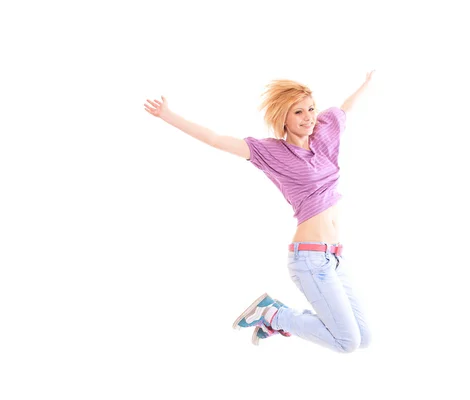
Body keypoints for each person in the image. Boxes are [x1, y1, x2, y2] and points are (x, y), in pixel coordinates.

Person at [143, 71, 374, 353]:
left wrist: (367, 83)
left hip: (334, 256)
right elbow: (216, 139)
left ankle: (276, 320)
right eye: (298, 112)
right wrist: (168, 115)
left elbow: (344, 108)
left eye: (311, 109)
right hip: (310, 259)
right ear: (283, 119)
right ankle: (272, 314)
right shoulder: (271, 152)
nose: (309, 117)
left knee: (364, 337)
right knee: (347, 342)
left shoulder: (324, 134)